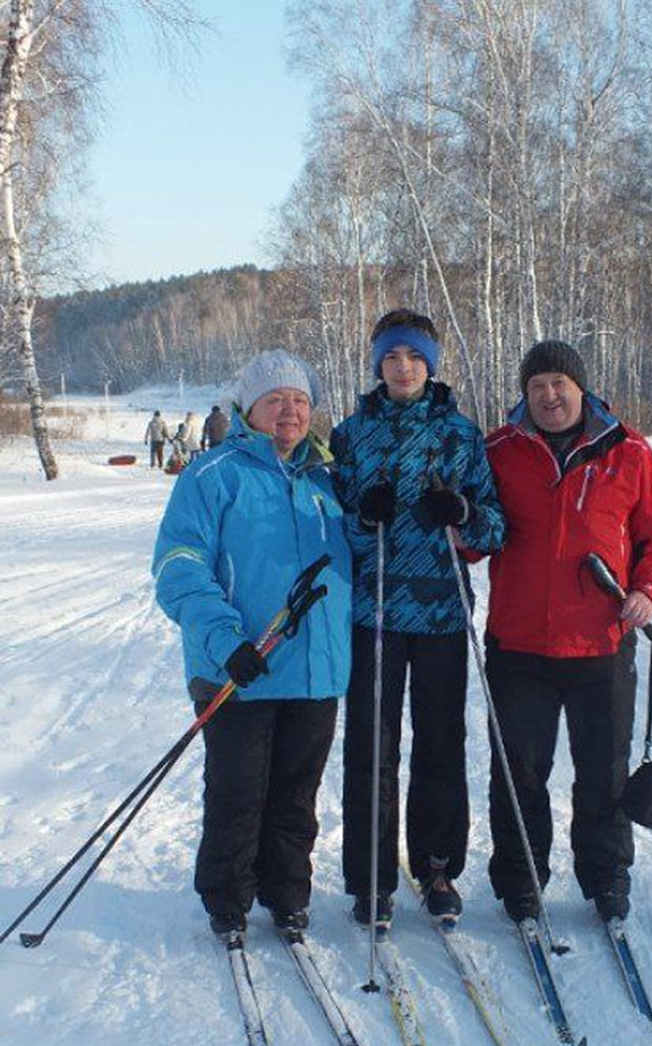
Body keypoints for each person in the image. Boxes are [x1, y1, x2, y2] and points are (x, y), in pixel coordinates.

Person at [480, 340, 652, 925]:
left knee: (603, 773)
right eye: (537, 385)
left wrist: (648, 589)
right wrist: (458, 518)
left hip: (601, 643)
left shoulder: (629, 453)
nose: (548, 396)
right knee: (518, 775)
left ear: (581, 388)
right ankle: (521, 880)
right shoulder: (499, 450)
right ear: (525, 393)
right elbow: (474, 540)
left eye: (558, 384)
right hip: (519, 646)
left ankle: (607, 878)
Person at [153, 349, 352, 937]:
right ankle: (227, 898)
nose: (289, 411)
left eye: (299, 400)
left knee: (297, 795)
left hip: (315, 670)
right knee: (239, 793)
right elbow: (179, 564)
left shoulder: (328, 479)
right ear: (250, 408)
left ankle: (287, 891)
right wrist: (224, 640)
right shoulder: (213, 475)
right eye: (275, 400)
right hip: (241, 667)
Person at [329, 308, 505, 927]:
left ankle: (436, 869)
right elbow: (336, 530)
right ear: (378, 363)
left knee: (440, 743)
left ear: (431, 364)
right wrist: (362, 517)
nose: (403, 368)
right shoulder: (350, 435)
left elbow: (495, 525)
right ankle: (371, 880)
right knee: (371, 747)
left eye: (414, 358)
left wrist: (458, 509)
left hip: (440, 615)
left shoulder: (460, 434)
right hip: (372, 612)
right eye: (392, 358)